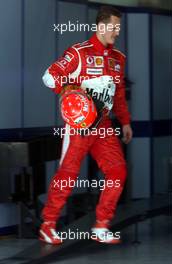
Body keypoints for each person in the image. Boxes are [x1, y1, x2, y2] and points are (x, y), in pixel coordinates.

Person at [39, 5, 133, 244]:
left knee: (117, 170)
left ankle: (101, 225)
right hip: (80, 127)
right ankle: (48, 224)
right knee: (68, 174)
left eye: (119, 28)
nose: (117, 32)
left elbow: (119, 94)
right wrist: (70, 89)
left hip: (104, 127)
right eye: (114, 27)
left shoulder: (118, 58)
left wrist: (125, 122)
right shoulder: (79, 52)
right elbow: (50, 75)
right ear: (101, 26)